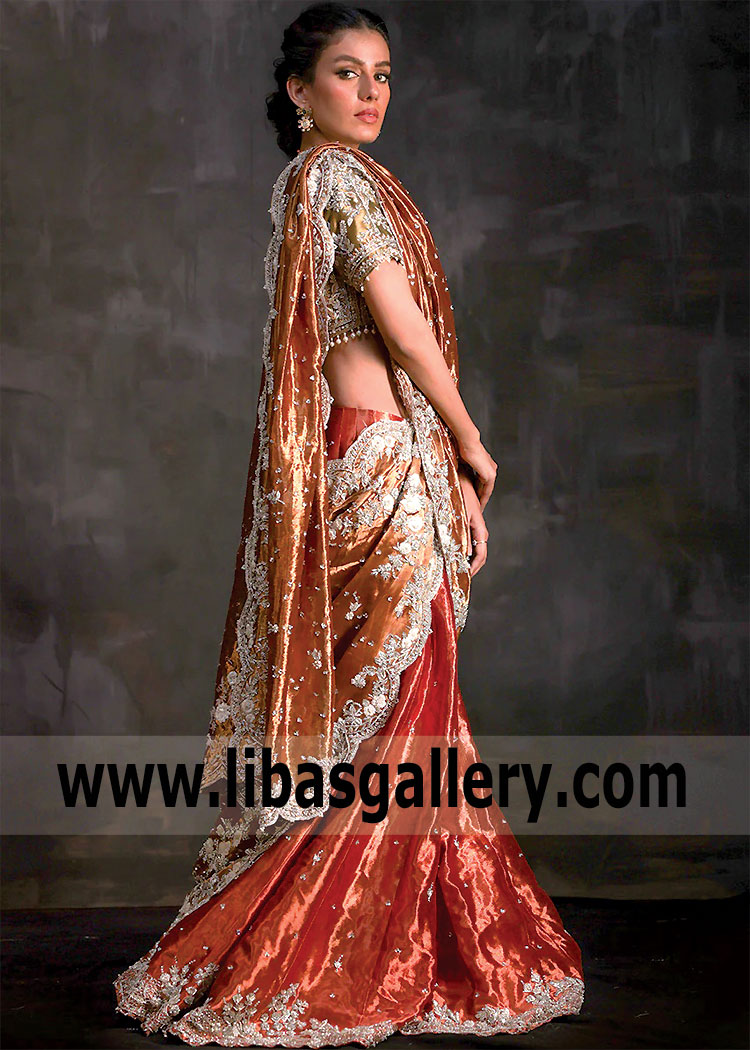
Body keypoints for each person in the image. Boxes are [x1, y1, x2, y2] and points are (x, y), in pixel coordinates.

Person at [113, 3, 585, 1045]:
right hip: (377, 460)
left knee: (396, 711)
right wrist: (469, 440)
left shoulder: (308, 184)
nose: (371, 93)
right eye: (346, 72)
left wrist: (441, 458)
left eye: (383, 73)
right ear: (299, 90)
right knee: (397, 712)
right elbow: (401, 325)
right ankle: (335, 951)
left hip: (360, 450)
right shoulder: (332, 178)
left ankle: (394, 937)